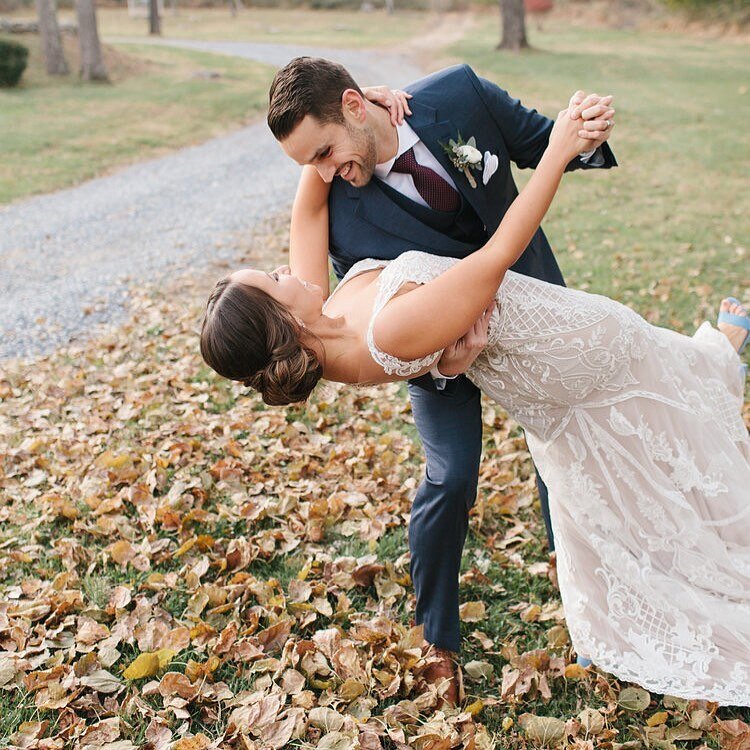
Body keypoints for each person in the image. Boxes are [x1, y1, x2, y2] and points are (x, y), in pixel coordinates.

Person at [200, 101, 750, 706]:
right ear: (281, 321)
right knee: (660, 425)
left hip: (545, 354)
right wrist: (559, 149)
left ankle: (716, 359)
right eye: (273, 279)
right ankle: (718, 366)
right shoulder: (383, 333)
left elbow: (308, 202)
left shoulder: (320, 312)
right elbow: (495, 258)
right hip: (567, 349)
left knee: (619, 452)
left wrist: (351, 104)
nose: (285, 268)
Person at [259, 57, 618, 699]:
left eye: (324, 151)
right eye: (308, 164)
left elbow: (543, 142)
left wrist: (584, 133)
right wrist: (442, 359)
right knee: (450, 477)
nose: (324, 170)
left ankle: (588, 599)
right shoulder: (335, 206)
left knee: (564, 447)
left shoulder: (456, 95)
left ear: (353, 105)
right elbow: (357, 327)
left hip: (533, 307)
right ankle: (439, 642)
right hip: (435, 353)